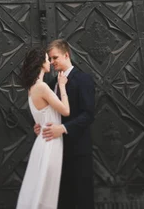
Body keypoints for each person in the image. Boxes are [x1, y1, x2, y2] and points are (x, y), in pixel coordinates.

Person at [40, 39, 95, 209]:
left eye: (55, 57)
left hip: (78, 151)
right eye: (50, 59)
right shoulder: (51, 85)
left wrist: (63, 129)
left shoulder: (83, 79)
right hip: (56, 152)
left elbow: (88, 114)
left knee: (81, 199)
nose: (52, 62)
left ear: (66, 55)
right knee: (62, 200)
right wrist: (41, 126)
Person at [16, 47, 70, 209]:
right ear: (40, 64)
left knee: (39, 188)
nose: (50, 63)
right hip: (50, 143)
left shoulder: (31, 88)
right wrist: (62, 86)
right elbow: (65, 111)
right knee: (46, 192)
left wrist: (38, 125)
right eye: (47, 59)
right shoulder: (42, 87)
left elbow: (41, 117)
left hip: (43, 141)